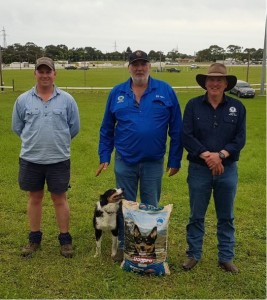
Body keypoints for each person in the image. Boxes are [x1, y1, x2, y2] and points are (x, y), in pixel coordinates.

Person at [96, 50, 183, 262]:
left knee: (150, 205)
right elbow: (107, 128)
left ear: (149, 66)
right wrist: (104, 155)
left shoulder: (165, 90)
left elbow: (177, 129)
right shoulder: (117, 92)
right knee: (125, 205)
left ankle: (147, 247)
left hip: (153, 161)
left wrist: (174, 160)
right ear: (129, 68)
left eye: (143, 64)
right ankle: (126, 246)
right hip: (125, 160)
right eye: (135, 64)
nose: (139, 68)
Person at [12, 57, 80, 258]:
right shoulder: (23, 100)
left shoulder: (67, 100)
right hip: (31, 159)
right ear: (35, 74)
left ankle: (65, 240)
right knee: (35, 198)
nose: (44, 75)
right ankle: (34, 239)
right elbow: (17, 127)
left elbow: (74, 128)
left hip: (58, 159)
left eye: (48, 71)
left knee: (60, 198)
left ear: (54, 74)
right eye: (40, 71)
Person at [182, 63, 246, 273]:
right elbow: (186, 135)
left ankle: (226, 257)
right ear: (205, 83)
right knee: (196, 215)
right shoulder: (193, 105)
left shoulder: (238, 107)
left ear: (226, 83)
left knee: (226, 216)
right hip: (199, 168)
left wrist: (220, 155)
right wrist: (207, 155)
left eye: (219, 80)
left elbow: (240, 138)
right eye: (211, 80)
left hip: (227, 169)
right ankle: (193, 254)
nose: (215, 83)